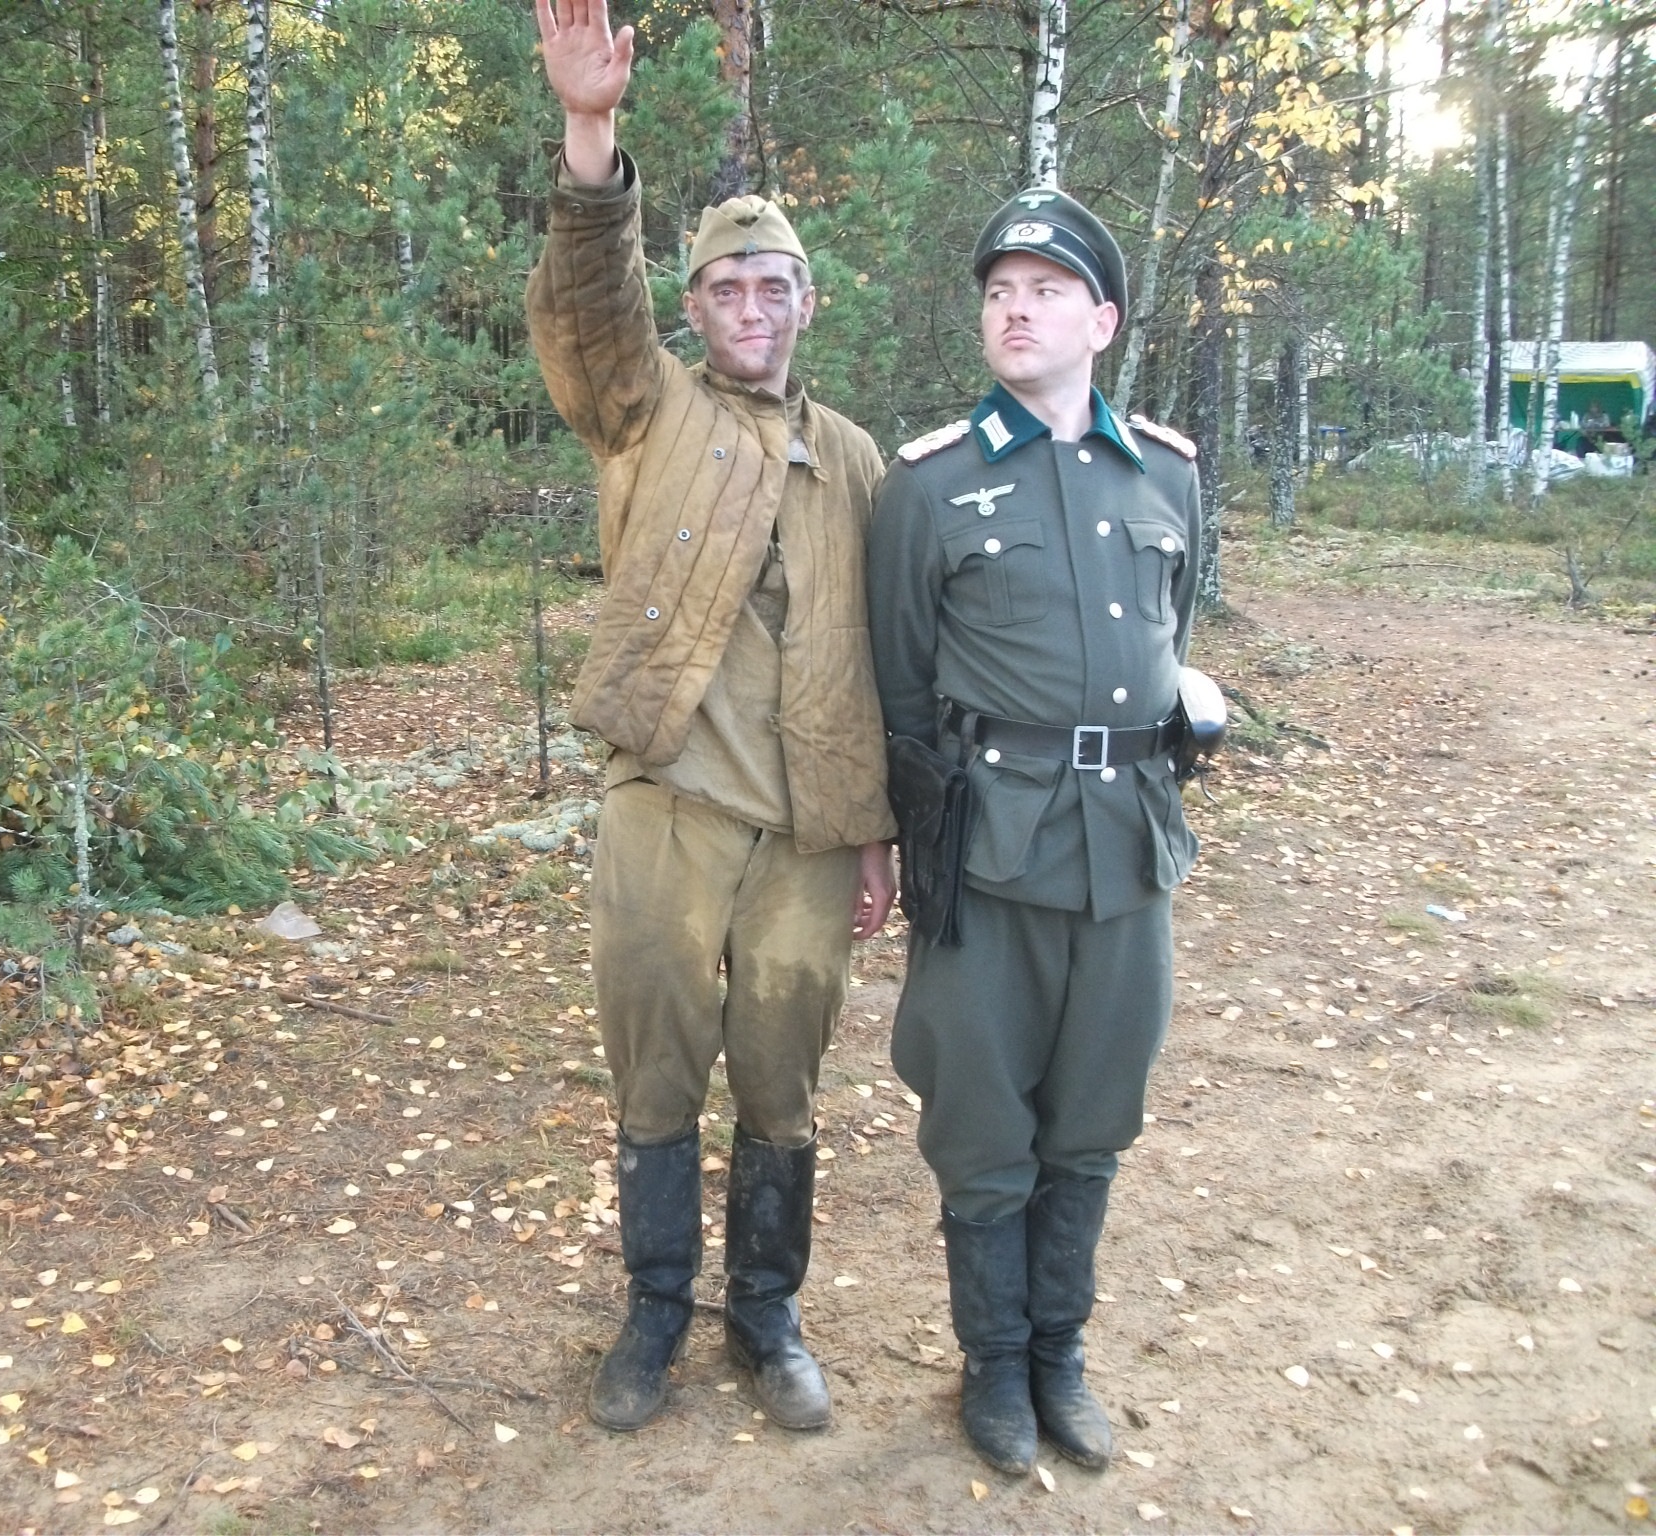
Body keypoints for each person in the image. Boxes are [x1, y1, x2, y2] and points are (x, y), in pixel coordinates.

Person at [525, 0, 897, 1435]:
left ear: (808, 304)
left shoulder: (857, 462)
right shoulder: (645, 413)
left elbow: (883, 656)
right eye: (727, 288)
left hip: (809, 832)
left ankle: (768, 1318)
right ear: (692, 310)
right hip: (668, 806)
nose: (751, 307)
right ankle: (654, 1314)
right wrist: (591, 135)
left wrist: (875, 834)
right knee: (657, 1070)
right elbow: (588, 307)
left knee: (785, 1081)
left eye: (774, 286)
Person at [865, 187, 1203, 1476]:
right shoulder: (931, 483)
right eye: (1001, 292)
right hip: (989, 846)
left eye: (1047, 292)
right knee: (980, 1116)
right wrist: (909, 847)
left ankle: (1061, 1355)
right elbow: (901, 690)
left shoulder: (1166, 471)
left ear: (1101, 321)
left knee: (1097, 1110)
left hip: (1130, 847)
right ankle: (995, 1366)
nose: (1017, 310)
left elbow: (1172, 638)